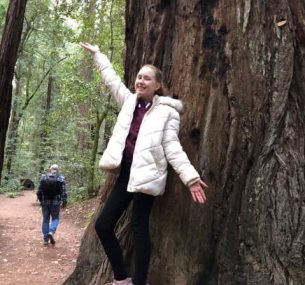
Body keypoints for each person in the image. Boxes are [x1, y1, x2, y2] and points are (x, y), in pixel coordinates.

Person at [80, 42, 208, 285]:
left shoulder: (167, 113)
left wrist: (190, 178)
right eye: (139, 77)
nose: (141, 81)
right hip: (126, 173)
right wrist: (99, 55)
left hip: (148, 175)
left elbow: (172, 148)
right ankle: (121, 279)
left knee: (139, 229)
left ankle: (139, 283)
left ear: (157, 85)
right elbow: (112, 82)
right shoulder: (129, 103)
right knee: (103, 225)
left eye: (147, 78)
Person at [36, 164, 67, 245]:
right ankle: (51, 231)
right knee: (55, 218)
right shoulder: (61, 178)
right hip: (56, 202)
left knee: (45, 219)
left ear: (50, 169)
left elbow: (38, 191)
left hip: (45, 202)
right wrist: (64, 202)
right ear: (58, 170)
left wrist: (41, 201)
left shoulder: (43, 177)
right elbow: (64, 192)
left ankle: (45, 240)